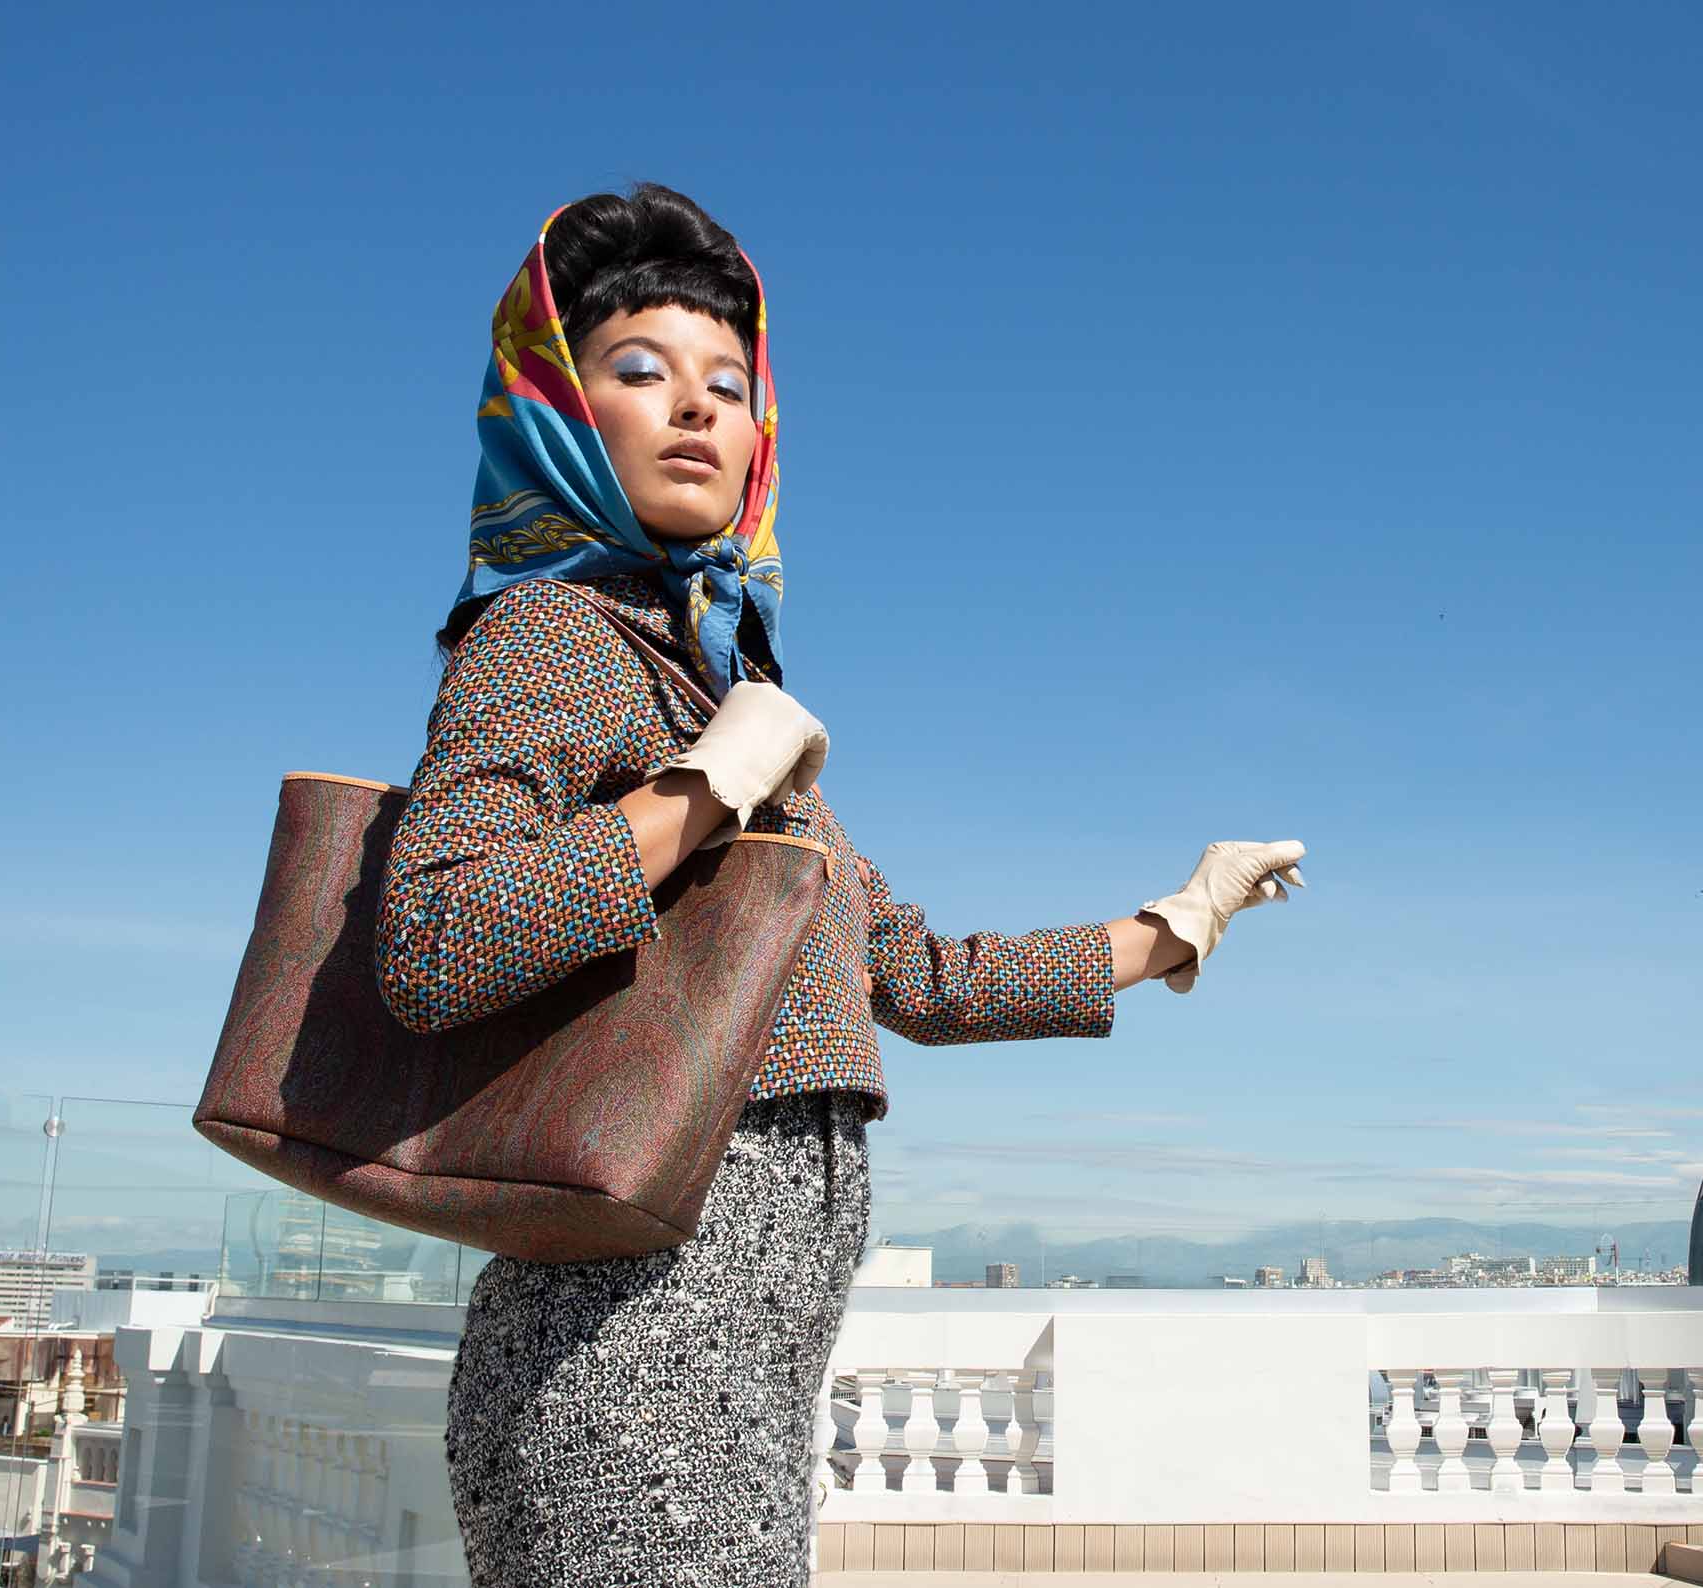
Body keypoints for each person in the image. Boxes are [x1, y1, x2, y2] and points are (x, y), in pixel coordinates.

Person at [371, 183, 1308, 1585]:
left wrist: (1178, 923)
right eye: (639, 372)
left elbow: (917, 977)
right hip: (616, 1377)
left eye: (726, 385)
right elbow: (435, 938)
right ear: (564, 411)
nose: (694, 408)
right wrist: (700, 791)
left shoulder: (723, 689)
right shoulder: (553, 634)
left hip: (741, 1389)